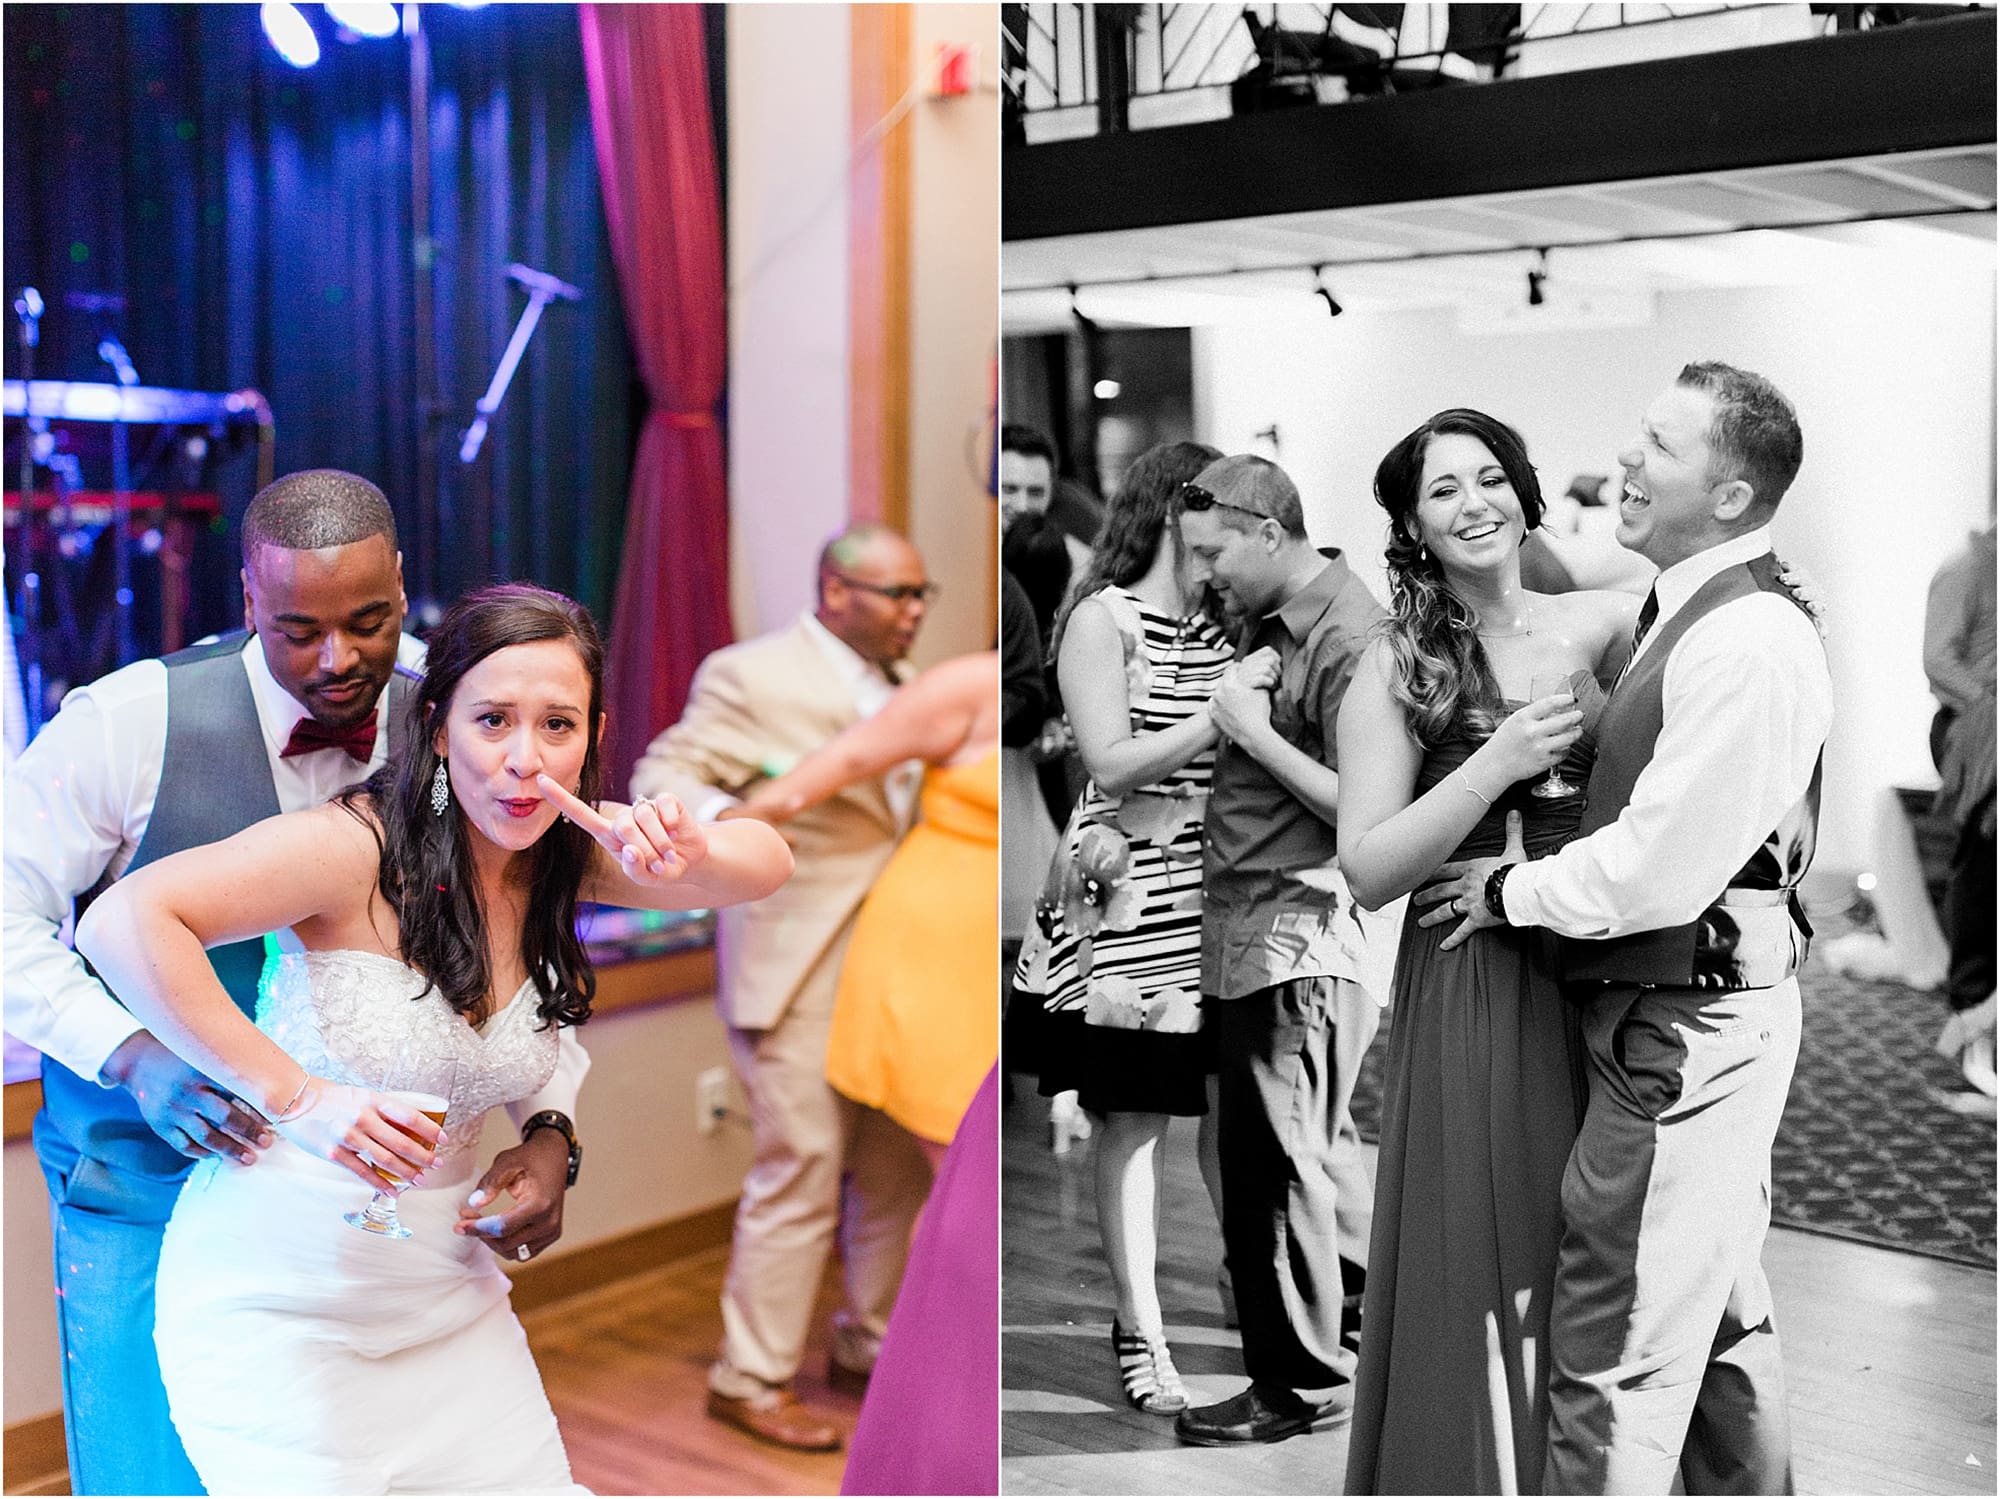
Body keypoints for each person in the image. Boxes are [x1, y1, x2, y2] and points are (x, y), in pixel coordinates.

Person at [72, 583, 793, 1494]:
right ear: (440, 726)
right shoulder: (352, 848)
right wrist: (301, 1098)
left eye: (557, 725)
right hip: (279, 1307)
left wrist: (695, 851)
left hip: (447, 1301)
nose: (525, 761)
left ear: (596, 734)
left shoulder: (567, 857)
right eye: (493, 720)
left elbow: (769, 863)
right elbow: (123, 922)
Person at [1, 470, 582, 1496]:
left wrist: (550, 1130)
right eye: (297, 629)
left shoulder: (456, 721)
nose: (338, 659)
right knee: (151, 1475)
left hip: (364, 1233)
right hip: (147, 1162)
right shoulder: (129, 722)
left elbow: (519, 943)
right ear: (245, 602)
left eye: (367, 622)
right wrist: (133, 1056)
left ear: (405, 588)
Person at [1419, 362, 1831, 1494]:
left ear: (1733, 495)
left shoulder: (1743, 636)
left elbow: (1658, 866)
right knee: (1715, 1322)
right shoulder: (1685, 603)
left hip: (1683, 1025)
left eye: (1658, 444)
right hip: (1685, 1016)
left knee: (1612, 1351)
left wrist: (1508, 891)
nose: (1627, 460)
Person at [1334, 410, 1636, 1495]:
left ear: (1522, 487)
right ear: (1410, 525)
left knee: (1590, 1246)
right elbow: (1365, 865)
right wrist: (1494, 759)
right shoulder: (1394, 664)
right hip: (1474, 976)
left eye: (1487, 478)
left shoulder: (1605, 622)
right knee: (1486, 1249)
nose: (1473, 504)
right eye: (1442, 491)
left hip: (1596, 959)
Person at [628, 522, 937, 1452]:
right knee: (800, 1163)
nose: (916, 611)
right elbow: (664, 772)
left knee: (891, 1166)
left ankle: (867, 1343)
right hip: (796, 961)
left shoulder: (914, 690)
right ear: (836, 590)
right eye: (899, 594)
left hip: (896, 969)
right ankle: (749, 1376)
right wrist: (746, 820)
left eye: (923, 594)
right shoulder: (749, 673)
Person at [1169, 453, 1387, 1447]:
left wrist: (1247, 729)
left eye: (1213, 550)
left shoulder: (1346, 631)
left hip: (1291, 931)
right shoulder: (1273, 623)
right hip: (1253, 927)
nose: (1202, 570)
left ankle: (1298, 1386)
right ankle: (1329, 1342)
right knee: (1292, 1157)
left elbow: (1367, 806)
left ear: (1267, 529)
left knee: (1273, 1166)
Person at [1011, 440, 1231, 1415]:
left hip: (1226, 881)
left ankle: (1258, 1294)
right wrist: (1228, 716)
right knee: (1133, 1117)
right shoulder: (1103, 619)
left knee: (1236, 1109)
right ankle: (1139, 1323)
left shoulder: (1233, 615)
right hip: (1129, 888)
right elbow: (1109, 757)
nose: (1235, 526)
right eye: (1220, 505)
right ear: (1170, 508)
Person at [734, 651, 1001, 1161]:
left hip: (984, 956)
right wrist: (742, 826)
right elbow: (849, 757)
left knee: (949, 1173)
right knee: (959, 1156)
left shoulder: (1025, 694)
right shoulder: (966, 681)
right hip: (935, 953)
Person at [1922, 522, 1996, 1088]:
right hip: (1975, 732)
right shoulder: (1966, 567)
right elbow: (1939, 662)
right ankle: (1972, 1012)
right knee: (1984, 860)